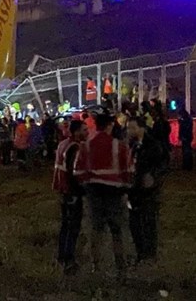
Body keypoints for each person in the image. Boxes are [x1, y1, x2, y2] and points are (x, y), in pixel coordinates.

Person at [74, 113, 134, 280]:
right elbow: (129, 172)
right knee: (117, 231)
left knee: (96, 230)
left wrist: (87, 185)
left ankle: (96, 267)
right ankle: (121, 268)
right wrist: (126, 188)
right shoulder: (119, 146)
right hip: (114, 193)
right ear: (110, 125)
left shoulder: (86, 146)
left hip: (94, 193)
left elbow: (78, 172)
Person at [127, 116, 169, 264]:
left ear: (142, 128)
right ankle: (141, 253)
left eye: (132, 128)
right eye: (128, 128)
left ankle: (149, 254)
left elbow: (163, 166)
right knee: (134, 223)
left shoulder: (153, 146)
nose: (129, 131)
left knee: (148, 222)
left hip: (149, 192)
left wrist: (153, 177)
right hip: (133, 190)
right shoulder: (131, 146)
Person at [53, 120, 87, 275]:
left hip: (62, 190)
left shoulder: (63, 144)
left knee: (65, 225)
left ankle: (61, 257)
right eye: (84, 129)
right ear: (76, 132)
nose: (87, 132)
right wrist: (80, 191)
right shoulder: (75, 147)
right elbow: (74, 172)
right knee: (73, 227)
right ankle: (69, 260)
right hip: (71, 191)